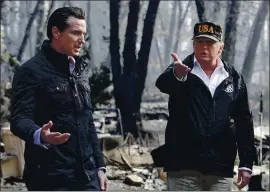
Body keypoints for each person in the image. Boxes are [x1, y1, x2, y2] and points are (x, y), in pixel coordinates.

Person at [10, 7, 109, 191]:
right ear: (56, 32)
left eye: (84, 34)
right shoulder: (30, 72)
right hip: (49, 178)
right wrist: (41, 134)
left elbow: (88, 124)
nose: (82, 40)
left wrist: (100, 167)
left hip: (87, 177)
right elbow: (19, 119)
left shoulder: (81, 72)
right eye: (76, 33)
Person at [155, 21, 255, 191]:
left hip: (220, 167)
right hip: (182, 166)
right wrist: (177, 76)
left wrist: (246, 163)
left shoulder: (234, 78)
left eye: (210, 43)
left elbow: (243, 122)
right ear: (193, 45)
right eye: (200, 42)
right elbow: (162, 84)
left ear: (220, 48)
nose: (204, 47)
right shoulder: (181, 69)